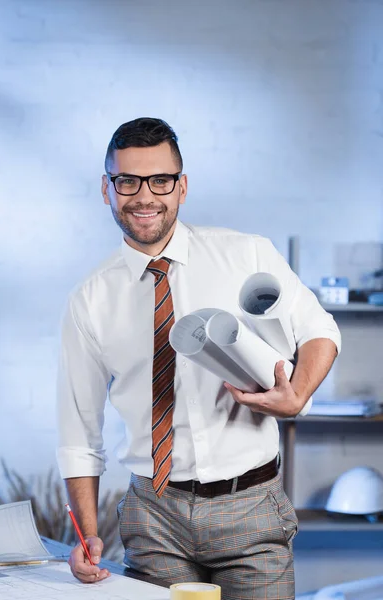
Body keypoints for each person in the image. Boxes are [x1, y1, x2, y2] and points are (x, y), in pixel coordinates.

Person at [56, 117, 341, 600]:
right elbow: (79, 433)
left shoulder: (246, 254)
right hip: (154, 515)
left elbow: (318, 330)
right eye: (127, 180)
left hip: (250, 507)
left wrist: (298, 396)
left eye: (160, 180)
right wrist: (87, 533)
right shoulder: (90, 299)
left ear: (181, 186)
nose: (144, 196)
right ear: (107, 189)